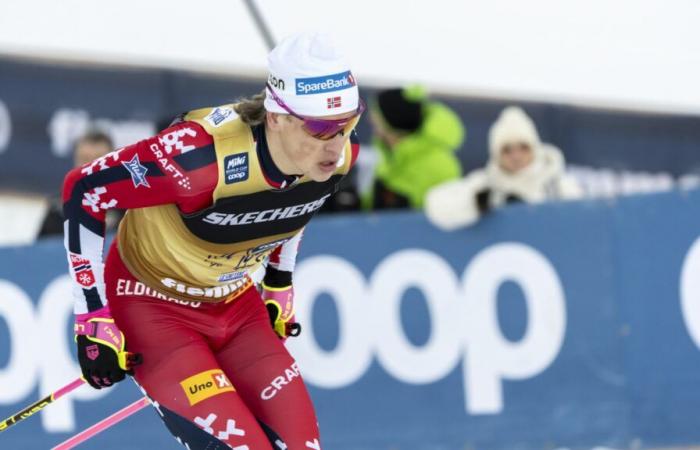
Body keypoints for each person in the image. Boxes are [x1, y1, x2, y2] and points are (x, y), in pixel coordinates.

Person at [62, 32, 363, 449]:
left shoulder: (339, 156)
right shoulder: (198, 157)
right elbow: (84, 190)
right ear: (276, 116)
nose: (337, 145)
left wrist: (279, 280)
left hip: (235, 306)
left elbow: (296, 207)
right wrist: (91, 317)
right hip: (155, 307)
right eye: (320, 128)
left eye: (349, 124)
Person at [425, 106, 583, 230]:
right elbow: (435, 205)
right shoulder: (486, 184)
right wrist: (476, 203)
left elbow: (581, 221)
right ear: (496, 155)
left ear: (535, 148)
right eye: (507, 150)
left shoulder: (557, 185)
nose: (516, 156)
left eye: (523, 147)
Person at [363, 85, 464, 209]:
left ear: (391, 123)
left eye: (376, 114)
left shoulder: (441, 167)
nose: (370, 119)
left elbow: (445, 217)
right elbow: (374, 211)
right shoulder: (388, 156)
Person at [38, 130, 123, 237]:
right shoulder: (58, 207)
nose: (90, 167)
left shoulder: (129, 208)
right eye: (84, 159)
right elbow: (39, 250)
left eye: (98, 159)